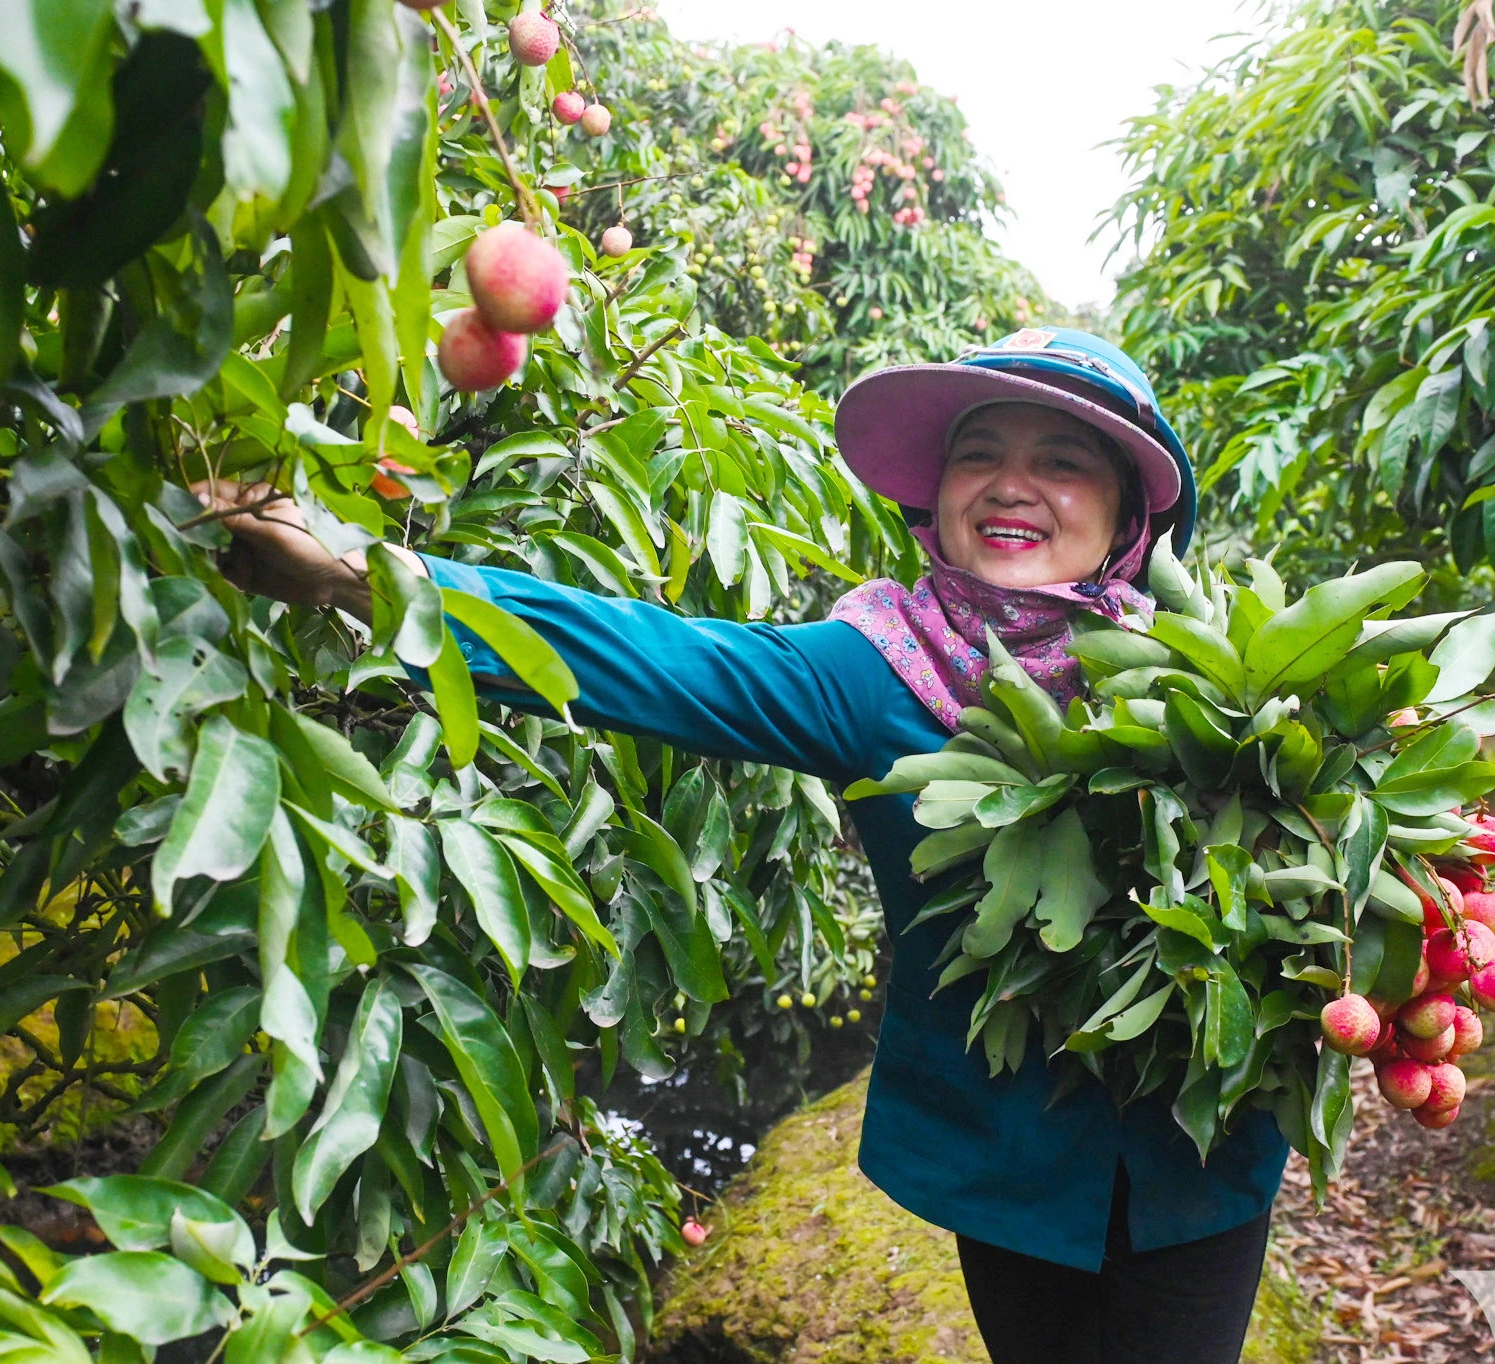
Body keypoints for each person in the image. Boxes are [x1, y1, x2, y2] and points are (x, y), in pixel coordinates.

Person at [200, 328, 1286, 1363]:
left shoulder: (1205, 673)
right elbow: (651, 656)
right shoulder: (873, 671)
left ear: (1128, 518)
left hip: (1202, 1144)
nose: (1010, 483)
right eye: (978, 453)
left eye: (1060, 461)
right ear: (935, 493)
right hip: (1000, 1153)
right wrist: (362, 576)